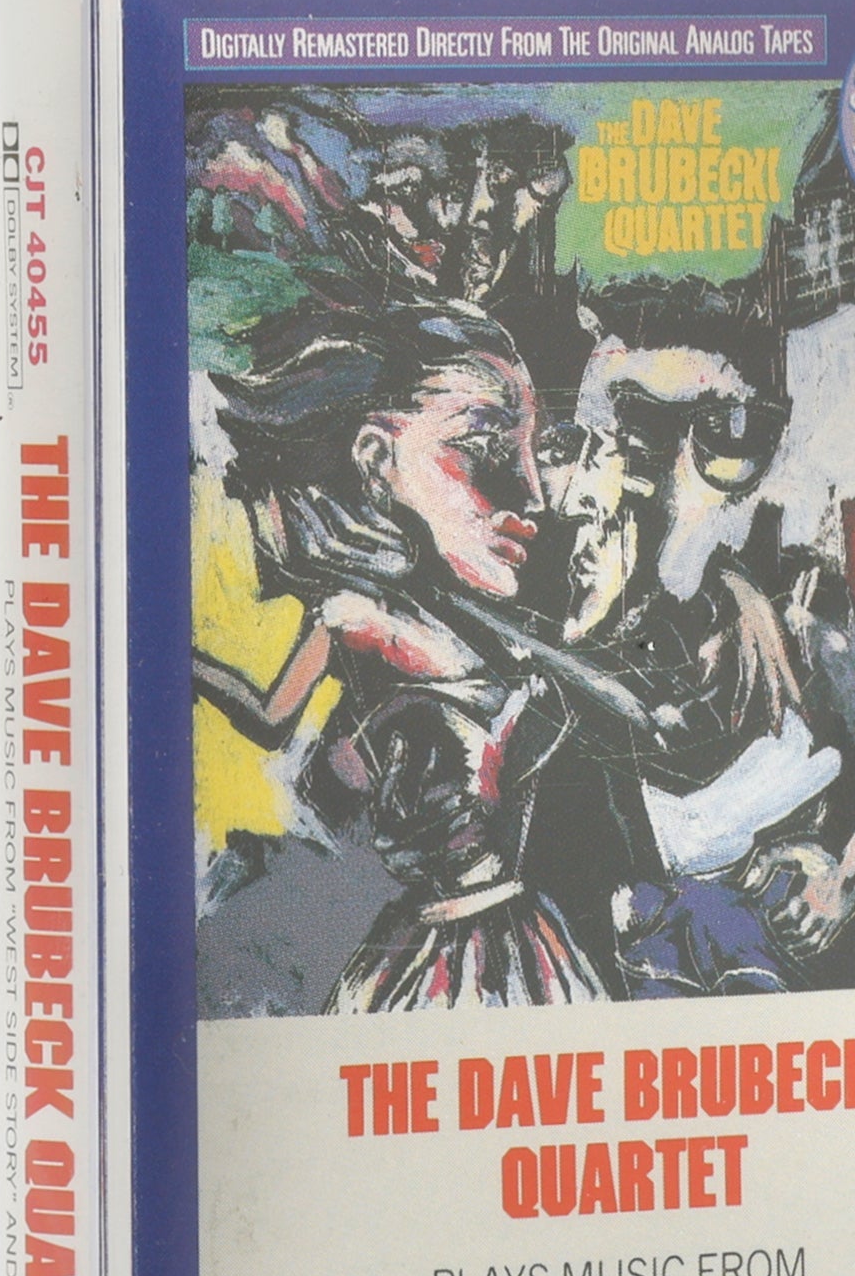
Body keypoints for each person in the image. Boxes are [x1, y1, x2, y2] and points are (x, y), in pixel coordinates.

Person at [191, 297, 613, 1010]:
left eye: (537, 455)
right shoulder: (351, 619)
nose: (534, 496)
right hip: (429, 948)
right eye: (486, 450)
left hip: (517, 939)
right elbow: (281, 734)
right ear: (375, 459)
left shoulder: (489, 630)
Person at [538, 280, 855, 996]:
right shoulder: (593, 589)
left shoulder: (801, 598)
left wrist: (841, 873)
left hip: (769, 938)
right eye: (643, 437)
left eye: (734, 434)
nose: (681, 484)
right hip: (635, 943)